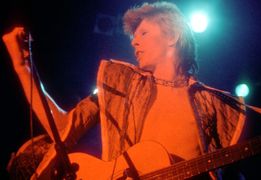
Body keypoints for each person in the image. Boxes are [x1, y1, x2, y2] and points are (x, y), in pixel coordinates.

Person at [3, 1, 248, 179]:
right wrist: (22, 67)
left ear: (172, 35)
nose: (134, 41)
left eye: (143, 32)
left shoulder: (215, 104)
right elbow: (62, 129)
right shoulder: (120, 88)